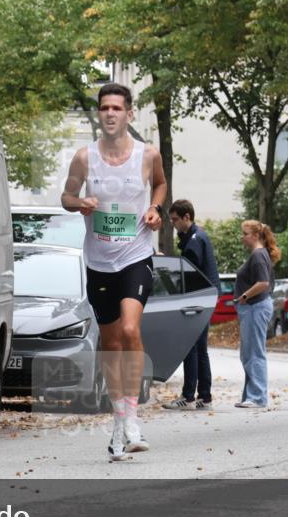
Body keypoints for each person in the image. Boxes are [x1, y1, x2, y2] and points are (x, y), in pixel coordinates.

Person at [59, 82, 166, 462]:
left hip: (135, 255)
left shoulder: (147, 154)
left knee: (130, 330)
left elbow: (161, 185)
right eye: (104, 107)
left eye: (117, 108)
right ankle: (119, 422)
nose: (109, 113)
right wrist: (80, 202)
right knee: (110, 344)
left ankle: (133, 418)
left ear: (129, 113)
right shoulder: (85, 158)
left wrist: (155, 209)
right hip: (99, 261)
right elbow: (66, 195)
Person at [163, 199, 217, 410]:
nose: (173, 224)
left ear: (187, 217)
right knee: (200, 349)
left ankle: (188, 396)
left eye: (175, 219)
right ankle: (204, 396)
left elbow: (186, 274)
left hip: (198, 298)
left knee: (191, 347)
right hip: (206, 296)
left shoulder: (194, 240)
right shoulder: (198, 235)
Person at [234, 220, 281, 408]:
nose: (242, 237)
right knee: (248, 353)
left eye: (245, 233)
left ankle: (257, 397)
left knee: (254, 353)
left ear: (255, 235)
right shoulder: (258, 254)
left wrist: (244, 296)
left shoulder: (259, 255)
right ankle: (250, 396)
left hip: (256, 306)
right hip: (253, 307)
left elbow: (263, 283)